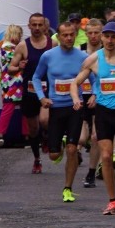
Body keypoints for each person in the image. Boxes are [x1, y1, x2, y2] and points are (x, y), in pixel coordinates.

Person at [70, 22, 115, 214]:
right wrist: (76, 98)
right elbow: (75, 83)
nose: (109, 40)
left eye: (113, 37)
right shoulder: (93, 59)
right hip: (103, 113)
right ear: (101, 37)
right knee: (107, 156)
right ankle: (112, 200)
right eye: (106, 36)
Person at [32, 21, 90, 203]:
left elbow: (95, 78)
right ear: (58, 36)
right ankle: (59, 146)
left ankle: (68, 188)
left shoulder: (82, 56)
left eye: (72, 34)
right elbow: (35, 77)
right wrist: (42, 97)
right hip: (55, 108)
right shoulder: (48, 56)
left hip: (75, 107)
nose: (69, 38)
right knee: (54, 155)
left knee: (73, 150)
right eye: (65, 35)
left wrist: (94, 95)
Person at [8, 13, 55, 174]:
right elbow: (10, 68)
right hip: (29, 92)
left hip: (47, 91)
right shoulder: (23, 45)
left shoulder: (52, 44)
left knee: (44, 119)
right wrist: (19, 66)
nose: (36, 28)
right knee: (33, 129)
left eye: (39, 25)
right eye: (33, 25)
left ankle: (48, 136)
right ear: (29, 26)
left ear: (45, 26)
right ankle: (37, 159)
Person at [79, 19, 103, 188]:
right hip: (81, 97)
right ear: (85, 34)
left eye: (97, 32)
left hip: (100, 97)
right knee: (81, 138)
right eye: (90, 33)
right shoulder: (79, 52)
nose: (93, 36)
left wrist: (97, 93)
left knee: (96, 136)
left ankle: (91, 172)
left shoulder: (107, 52)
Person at [0, 25, 25, 149]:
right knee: (19, 109)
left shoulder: (5, 46)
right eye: (19, 34)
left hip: (10, 81)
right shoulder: (8, 47)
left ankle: (1, 135)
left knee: (11, 108)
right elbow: (15, 61)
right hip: (15, 81)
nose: (20, 37)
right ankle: (26, 136)